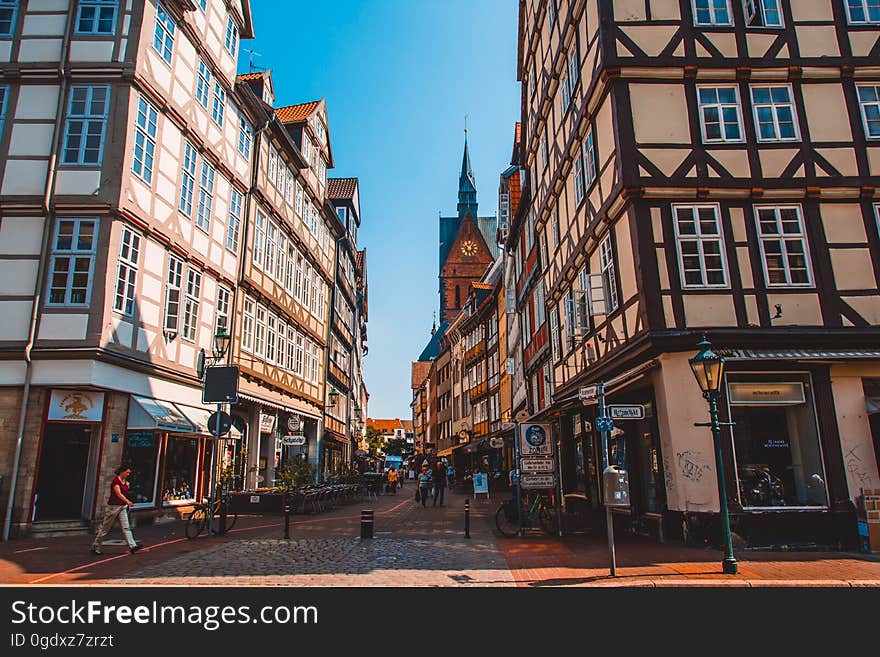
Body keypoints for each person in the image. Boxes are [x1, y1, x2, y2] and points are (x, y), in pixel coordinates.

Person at [91, 465, 140, 555]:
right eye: (127, 472)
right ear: (122, 472)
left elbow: (124, 492)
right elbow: (118, 493)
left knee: (126, 527)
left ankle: (133, 546)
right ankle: (96, 546)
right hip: (113, 507)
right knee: (106, 528)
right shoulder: (116, 481)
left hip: (122, 507)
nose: (128, 474)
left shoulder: (125, 482)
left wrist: (127, 489)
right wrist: (128, 501)